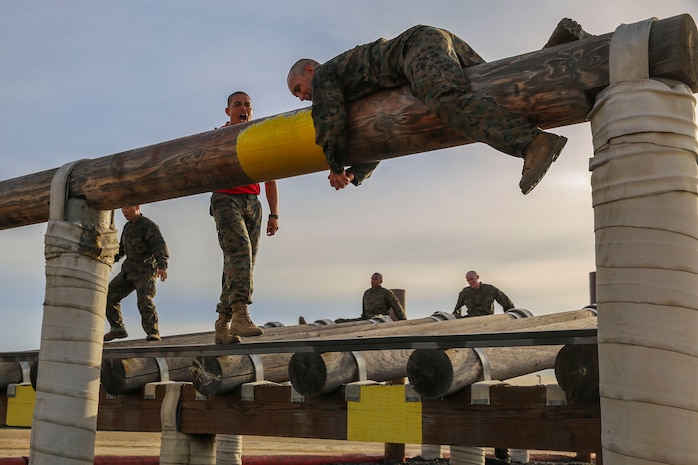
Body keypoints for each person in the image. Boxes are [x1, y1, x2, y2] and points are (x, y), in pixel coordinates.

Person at [287, 25, 567, 195]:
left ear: (310, 70)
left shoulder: (325, 78)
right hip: (429, 40)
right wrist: (355, 173)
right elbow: (379, 130)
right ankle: (560, 51)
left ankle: (533, 143)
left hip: (414, 47)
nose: (301, 98)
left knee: (443, 98)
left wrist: (335, 167)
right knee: (494, 90)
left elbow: (329, 121)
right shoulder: (346, 80)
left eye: (298, 89)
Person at [211, 91, 280, 344]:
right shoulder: (218, 136)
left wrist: (274, 213)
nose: (243, 108)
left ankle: (222, 324)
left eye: (248, 105)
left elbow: (271, 178)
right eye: (237, 105)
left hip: (253, 203)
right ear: (228, 111)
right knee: (239, 251)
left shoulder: (259, 136)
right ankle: (240, 315)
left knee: (241, 264)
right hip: (226, 198)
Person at [104, 205, 169, 342]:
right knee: (109, 295)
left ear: (137, 207)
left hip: (145, 270)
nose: (125, 211)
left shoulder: (148, 226)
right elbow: (120, 250)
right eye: (123, 209)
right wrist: (107, 260)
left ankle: (153, 332)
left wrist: (162, 266)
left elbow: (159, 246)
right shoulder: (127, 228)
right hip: (129, 270)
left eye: (128, 208)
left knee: (144, 300)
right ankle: (117, 328)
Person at [326, 272, 406, 324]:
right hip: (366, 319)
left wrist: (403, 321)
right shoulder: (367, 293)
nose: (373, 281)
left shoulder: (385, 293)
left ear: (381, 281)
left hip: (380, 320)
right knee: (340, 322)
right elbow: (364, 311)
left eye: (375, 279)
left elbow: (396, 306)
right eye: (372, 279)